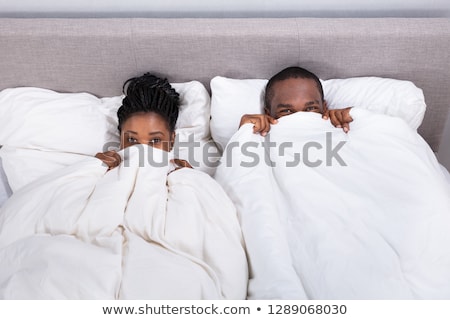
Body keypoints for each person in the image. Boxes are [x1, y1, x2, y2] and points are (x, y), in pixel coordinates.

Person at [95, 72, 191, 170]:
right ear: (121, 138)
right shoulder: (104, 168)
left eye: (155, 140)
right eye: (132, 140)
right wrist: (93, 168)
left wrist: (192, 180)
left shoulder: (180, 175)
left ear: (171, 140)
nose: (142, 151)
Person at [239, 66, 354, 135]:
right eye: (287, 111)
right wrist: (245, 132)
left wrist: (356, 117)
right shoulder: (258, 139)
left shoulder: (343, 129)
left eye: (310, 109)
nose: (300, 117)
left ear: (324, 108)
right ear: (268, 113)